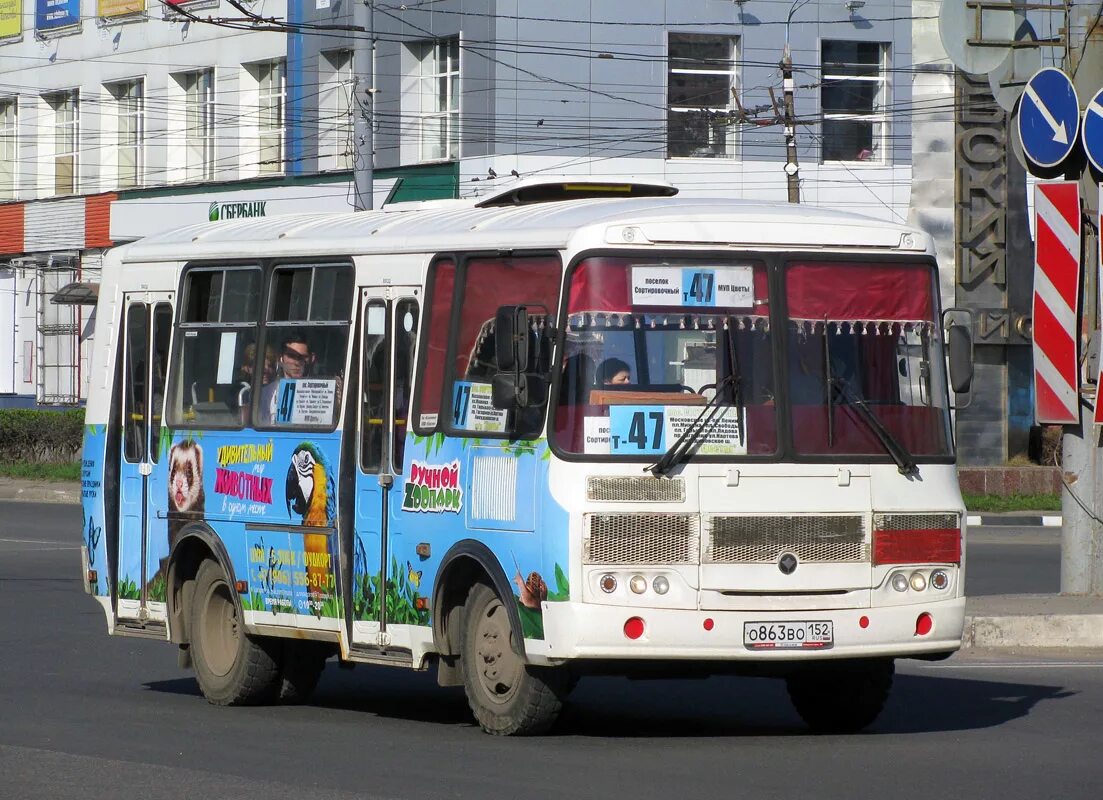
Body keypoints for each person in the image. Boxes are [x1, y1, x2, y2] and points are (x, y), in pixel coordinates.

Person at [259, 331, 315, 424]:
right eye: (291, 356)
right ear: (281, 358)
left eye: (302, 357)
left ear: (311, 358)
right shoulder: (266, 393)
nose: (296, 362)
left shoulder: (319, 393)